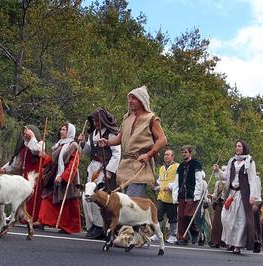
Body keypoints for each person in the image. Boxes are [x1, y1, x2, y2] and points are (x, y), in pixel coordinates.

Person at [99, 86, 167, 197]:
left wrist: (149, 154)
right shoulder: (127, 118)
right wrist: (107, 142)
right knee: (125, 205)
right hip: (125, 167)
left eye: (134, 98)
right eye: (129, 98)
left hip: (140, 165)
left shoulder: (151, 118)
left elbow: (163, 140)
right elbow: (120, 138)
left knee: (131, 204)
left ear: (142, 100)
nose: (130, 101)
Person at [77, 107, 121, 239]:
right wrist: (83, 142)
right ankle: (92, 226)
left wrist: (109, 171)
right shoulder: (93, 133)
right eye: (94, 121)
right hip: (93, 169)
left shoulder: (112, 133)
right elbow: (87, 151)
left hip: (104, 170)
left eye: (97, 120)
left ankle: (101, 226)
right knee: (87, 196)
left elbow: (117, 154)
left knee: (100, 199)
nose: (95, 123)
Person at [212, 140, 261, 255]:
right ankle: (230, 242)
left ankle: (237, 245)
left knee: (240, 220)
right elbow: (226, 177)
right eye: (236, 146)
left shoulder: (249, 161)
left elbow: (252, 180)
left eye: (239, 146)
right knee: (226, 218)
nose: (237, 148)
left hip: (243, 195)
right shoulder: (232, 161)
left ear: (244, 148)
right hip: (231, 194)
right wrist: (218, 170)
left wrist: (253, 196)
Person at [0, 125, 48, 227]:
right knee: (21, 197)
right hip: (24, 176)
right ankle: (19, 216)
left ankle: (34, 218)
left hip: (35, 176)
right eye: (24, 132)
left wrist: (33, 137)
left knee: (34, 198)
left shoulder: (40, 143)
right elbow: (16, 163)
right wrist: (5, 169)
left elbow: (35, 150)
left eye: (27, 132)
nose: (25, 134)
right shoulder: (23, 145)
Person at [39, 123, 82, 234]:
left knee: (68, 203)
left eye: (64, 130)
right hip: (55, 175)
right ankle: (42, 220)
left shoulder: (73, 146)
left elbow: (74, 164)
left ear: (70, 132)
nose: (61, 132)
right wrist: (44, 157)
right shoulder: (59, 145)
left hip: (69, 179)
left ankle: (68, 227)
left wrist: (63, 177)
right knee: (47, 196)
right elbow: (54, 161)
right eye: (61, 129)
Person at [171, 145, 204, 246]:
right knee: (181, 217)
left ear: (190, 153)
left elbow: (199, 180)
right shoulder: (180, 166)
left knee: (188, 214)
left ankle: (195, 232)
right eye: (183, 152)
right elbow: (176, 181)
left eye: (186, 152)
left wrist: (197, 194)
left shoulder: (196, 164)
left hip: (191, 193)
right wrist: (175, 194)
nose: (184, 154)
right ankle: (182, 238)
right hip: (182, 193)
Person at [150, 148, 179, 244]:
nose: (166, 156)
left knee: (172, 218)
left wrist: (170, 187)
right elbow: (161, 180)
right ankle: (157, 234)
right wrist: (156, 186)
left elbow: (178, 180)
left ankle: (173, 235)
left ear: (172, 156)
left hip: (172, 198)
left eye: (168, 155)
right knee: (158, 216)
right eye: (165, 154)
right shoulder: (162, 168)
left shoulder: (177, 166)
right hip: (161, 196)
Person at [209, 166, 226, 248]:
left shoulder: (230, 183)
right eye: (222, 170)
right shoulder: (218, 183)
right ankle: (215, 241)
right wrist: (212, 196)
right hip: (219, 204)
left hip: (227, 205)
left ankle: (225, 241)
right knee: (217, 223)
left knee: (226, 223)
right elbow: (215, 194)